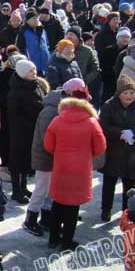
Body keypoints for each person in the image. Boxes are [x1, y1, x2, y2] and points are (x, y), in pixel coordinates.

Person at [26, 78, 91, 236]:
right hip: (45, 157)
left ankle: (47, 218)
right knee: (41, 189)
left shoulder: (64, 107)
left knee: (51, 191)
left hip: (58, 156)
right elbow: (45, 137)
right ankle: (30, 219)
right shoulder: (51, 110)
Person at [44, 94, 107, 250]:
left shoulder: (57, 121)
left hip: (61, 168)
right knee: (73, 207)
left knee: (57, 203)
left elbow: (48, 145)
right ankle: (67, 242)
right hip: (80, 170)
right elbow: (100, 147)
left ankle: (53, 239)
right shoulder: (92, 123)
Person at [99, 75, 135, 222]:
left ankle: (127, 211)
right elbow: (103, 126)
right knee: (109, 182)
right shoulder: (109, 106)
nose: (129, 96)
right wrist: (120, 133)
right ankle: (106, 210)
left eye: (132, 93)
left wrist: (134, 133)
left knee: (129, 184)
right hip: (113, 150)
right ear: (119, 94)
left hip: (132, 152)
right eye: (125, 93)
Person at [7, 59, 48, 204]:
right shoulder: (16, 91)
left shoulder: (37, 86)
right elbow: (13, 114)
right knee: (17, 160)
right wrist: (30, 122)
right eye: (30, 71)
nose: (34, 73)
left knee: (26, 160)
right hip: (20, 131)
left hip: (34, 130)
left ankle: (23, 187)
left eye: (34, 70)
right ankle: (16, 190)